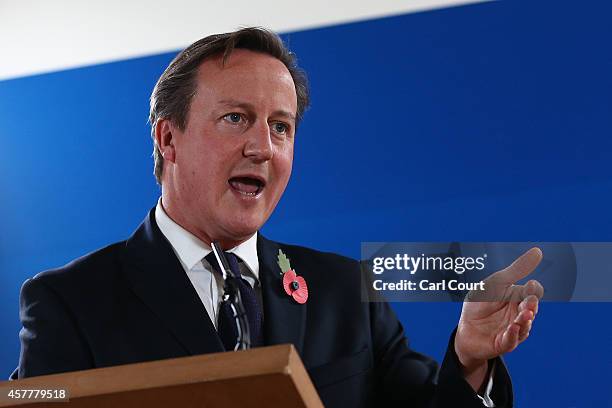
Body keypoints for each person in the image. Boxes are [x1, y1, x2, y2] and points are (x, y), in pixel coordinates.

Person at [11, 28, 543, 407]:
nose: (263, 147)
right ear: (168, 138)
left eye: (281, 126)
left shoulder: (341, 291)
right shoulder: (71, 302)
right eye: (236, 118)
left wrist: (470, 360)